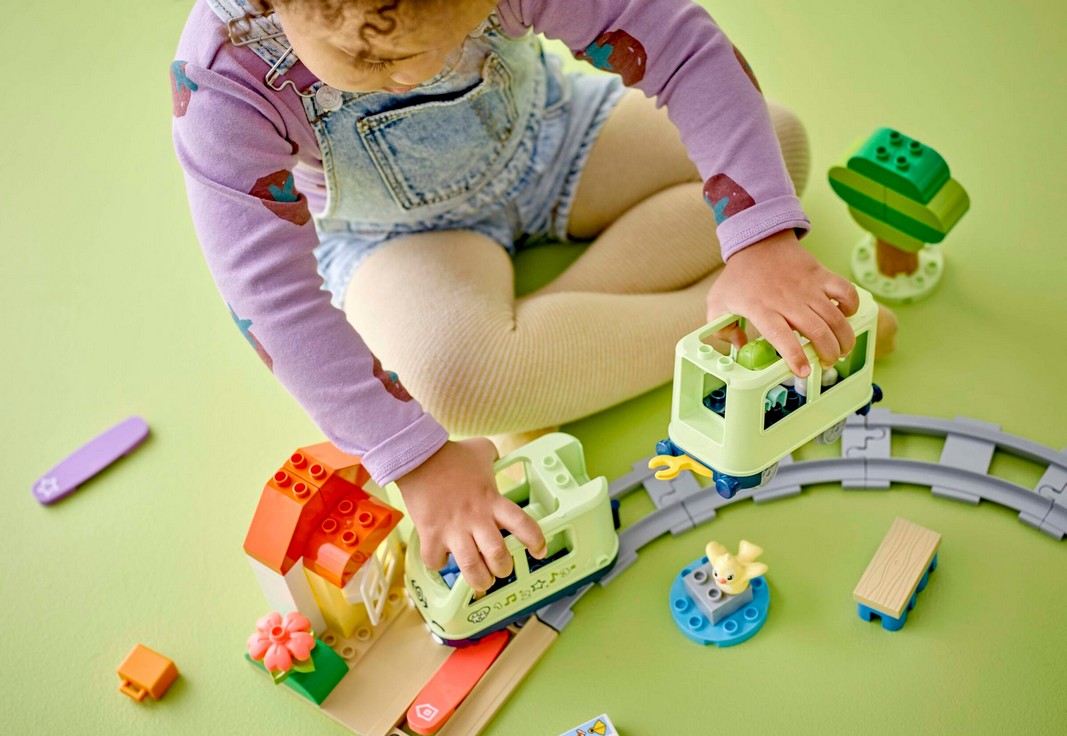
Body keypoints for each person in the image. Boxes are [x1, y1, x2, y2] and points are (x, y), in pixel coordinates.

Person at [172, 0, 897, 592]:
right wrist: (417, 461)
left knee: (779, 139)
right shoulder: (223, 82)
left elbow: (682, 48)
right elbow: (269, 294)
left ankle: (549, 357)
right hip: (397, 238)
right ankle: (726, 325)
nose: (417, 72)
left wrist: (760, 243)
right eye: (371, 61)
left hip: (556, 139)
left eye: (450, 34)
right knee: (450, 383)